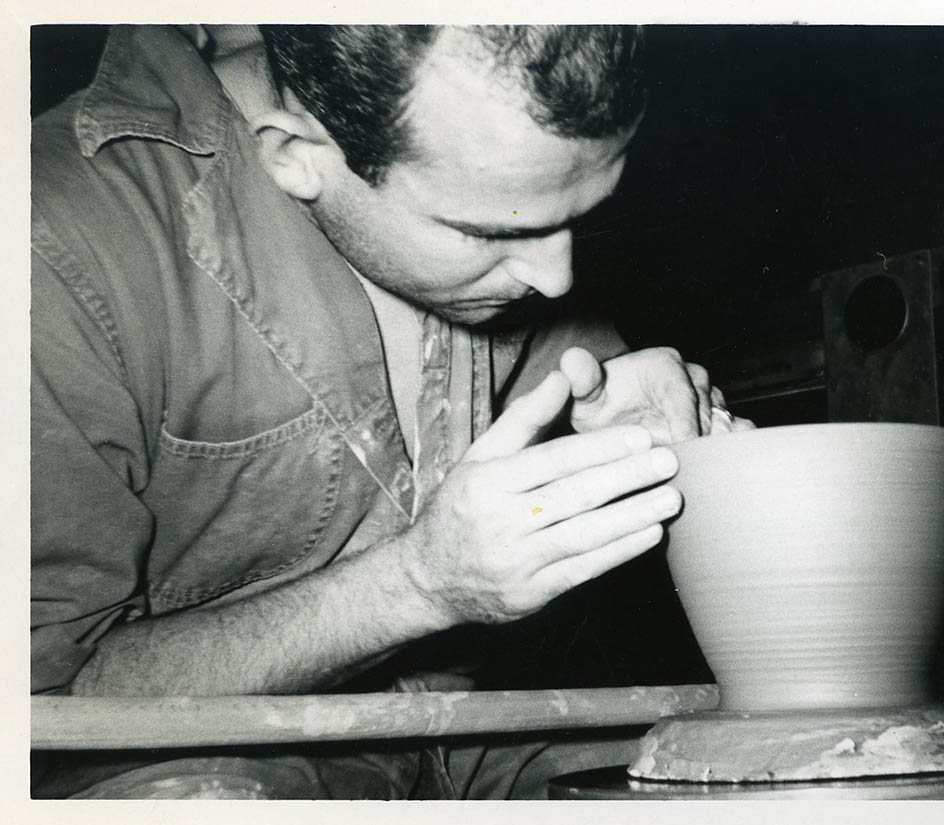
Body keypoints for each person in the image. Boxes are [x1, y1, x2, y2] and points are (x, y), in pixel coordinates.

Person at [31, 24, 751, 799]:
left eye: (582, 213)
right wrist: (417, 585)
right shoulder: (54, 248)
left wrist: (637, 431)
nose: (557, 277)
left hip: (472, 740)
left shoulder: (502, 182)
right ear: (297, 155)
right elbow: (37, 711)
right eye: (489, 232)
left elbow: (592, 390)